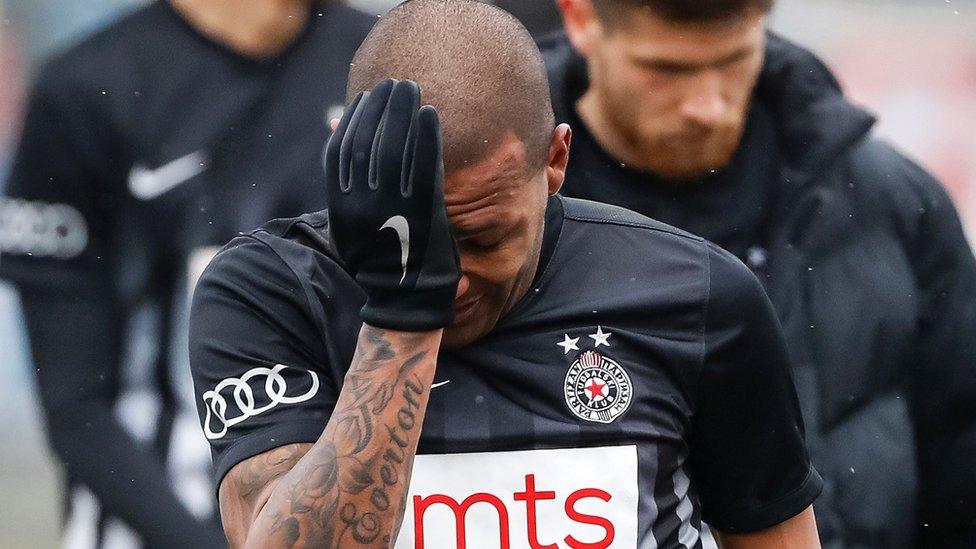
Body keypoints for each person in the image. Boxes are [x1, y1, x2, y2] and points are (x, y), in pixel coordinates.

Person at [189, 1, 824, 547]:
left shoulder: (696, 295)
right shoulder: (267, 293)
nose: (451, 280)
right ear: (345, 158)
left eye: (484, 238)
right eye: (426, 238)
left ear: (556, 160)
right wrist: (401, 316)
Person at [543, 0, 976, 547]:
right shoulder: (498, 221)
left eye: (733, 59)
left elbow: (964, 463)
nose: (708, 105)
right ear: (582, 20)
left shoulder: (891, 203)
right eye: (666, 69)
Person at [0, 0, 374, 546]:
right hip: (159, 522)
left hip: (368, 512)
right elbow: (76, 408)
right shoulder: (87, 88)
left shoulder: (384, 62)